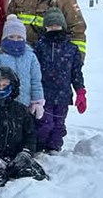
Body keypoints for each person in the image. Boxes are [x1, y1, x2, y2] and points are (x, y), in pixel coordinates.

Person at [0, 67, 48, 190]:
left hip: (16, 159)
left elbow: (30, 135)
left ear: (13, 86)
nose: (1, 88)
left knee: (38, 181)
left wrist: (26, 152)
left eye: (5, 85)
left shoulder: (21, 110)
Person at [33, 8, 86, 152]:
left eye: (57, 25)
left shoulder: (72, 49)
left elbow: (76, 72)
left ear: (63, 26)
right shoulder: (40, 46)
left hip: (63, 95)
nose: (54, 28)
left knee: (59, 124)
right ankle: (39, 147)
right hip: (44, 94)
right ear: (45, 27)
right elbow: (33, 70)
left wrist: (80, 91)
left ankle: (54, 149)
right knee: (45, 123)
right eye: (50, 25)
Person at [0, 15, 45, 118]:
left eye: (19, 37)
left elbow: (36, 81)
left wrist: (37, 102)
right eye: (11, 37)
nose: (15, 40)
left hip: (25, 104)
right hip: (2, 104)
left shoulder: (31, 56)